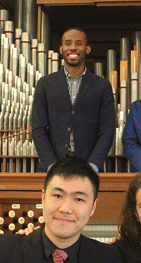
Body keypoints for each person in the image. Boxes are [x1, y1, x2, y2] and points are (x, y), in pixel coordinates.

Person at [32, 27, 115, 172]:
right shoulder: (45, 84)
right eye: (68, 43)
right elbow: (38, 129)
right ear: (61, 49)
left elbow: (107, 131)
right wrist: (51, 165)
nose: (73, 48)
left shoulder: (102, 86)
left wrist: (93, 166)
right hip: (51, 167)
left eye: (78, 43)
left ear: (87, 49)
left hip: (89, 167)